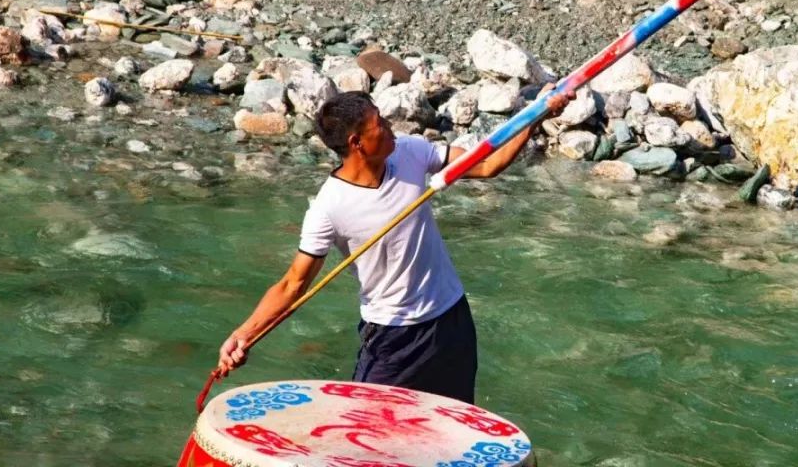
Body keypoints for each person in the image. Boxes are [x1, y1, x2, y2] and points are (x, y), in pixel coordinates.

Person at [216, 85, 572, 404]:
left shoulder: (411, 152)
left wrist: (536, 116)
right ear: (357, 143)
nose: (391, 130)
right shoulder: (329, 208)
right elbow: (293, 283)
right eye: (380, 126)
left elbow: (488, 162)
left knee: (454, 431)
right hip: (392, 337)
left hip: (450, 321)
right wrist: (244, 334)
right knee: (364, 437)